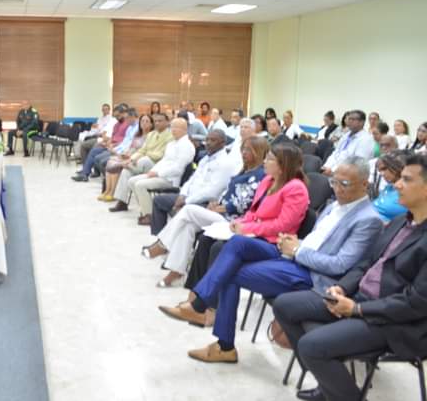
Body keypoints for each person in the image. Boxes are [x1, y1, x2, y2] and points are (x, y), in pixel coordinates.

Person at [173, 157, 383, 364]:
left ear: (365, 184)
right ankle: (202, 308)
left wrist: (297, 250)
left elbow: (339, 265)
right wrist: (295, 243)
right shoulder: (333, 206)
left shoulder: (368, 219)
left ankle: (220, 339)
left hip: (315, 276)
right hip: (296, 258)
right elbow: (318, 241)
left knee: (230, 272)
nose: (337, 188)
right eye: (334, 182)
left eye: (344, 183)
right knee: (237, 243)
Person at [273, 153, 427, 401]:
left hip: (395, 322)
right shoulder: (401, 221)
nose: (397, 184)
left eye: (407, 180)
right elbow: (366, 263)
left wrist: (357, 310)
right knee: (284, 305)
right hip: (359, 298)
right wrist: (342, 288)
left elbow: (415, 303)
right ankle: (329, 385)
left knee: (311, 345)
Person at [158, 144, 310, 328]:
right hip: (254, 235)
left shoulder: (296, 188)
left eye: (270, 159)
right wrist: (240, 222)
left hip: (274, 243)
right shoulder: (268, 181)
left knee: (219, 248)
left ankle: (207, 309)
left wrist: (247, 228)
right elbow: (254, 211)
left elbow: (283, 225)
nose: (264, 161)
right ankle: (193, 299)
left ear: (283, 165)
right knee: (206, 239)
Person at [143, 131, 251, 287]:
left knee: (188, 210)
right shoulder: (206, 159)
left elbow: (216, 192)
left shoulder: (226, 164)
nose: (208, 143)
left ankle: (163, 245)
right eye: (207, 139)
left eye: (213, 140)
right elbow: (192, 180)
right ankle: (176, 271)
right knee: (187, 227)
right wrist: (183, 194)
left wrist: (193, 201)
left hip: (229, 218)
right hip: (212, 206)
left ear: (222, 143)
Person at [110, 118, 195, 226]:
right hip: (161, 174)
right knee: (132, 181)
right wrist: (152, 171)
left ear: (184, 129)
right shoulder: (172, 144)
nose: (173, 130)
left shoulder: (186, 146)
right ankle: (146, 210)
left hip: (171, 179)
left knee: (140, 185)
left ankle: (150, 216)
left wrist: (158, 174)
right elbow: (164, 161)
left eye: (176, 128)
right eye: (172, 127)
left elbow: (178, 168)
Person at [100, 114, 152, 202]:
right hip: (130, 155)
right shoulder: (137, 134)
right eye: (142, 121)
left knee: (116, 165)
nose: (144, 123)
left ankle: (112, 192)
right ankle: (107, 190)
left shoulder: (150, 135)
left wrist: (130, 157)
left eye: (147, 121)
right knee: (111, 161)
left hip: (138, 158)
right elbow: (131, 147)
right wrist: (126, 154)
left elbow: (144, 151)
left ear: (151, 124)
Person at [73, 106, 129, 181]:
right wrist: (107, 143)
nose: (117, 118)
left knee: (97, 153)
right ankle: (85, 174)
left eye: (118, 116)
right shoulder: (116, 124)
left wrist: (112, 145)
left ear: (123, 113)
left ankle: (104, 178)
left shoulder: (127, 125)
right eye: (115, 116)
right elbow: (112, 137)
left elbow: (125, 141)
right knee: (94, 150)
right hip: (109, 144)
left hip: (117, 148)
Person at [322, 110, 374, 176]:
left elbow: (358, 165)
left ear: (362, 122)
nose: (349, 121)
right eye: (349, 119)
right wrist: (326, 166)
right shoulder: (346, 135)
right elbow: (336, 153)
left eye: (352, 119)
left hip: (347, 176)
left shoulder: (366, 140)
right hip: (331, 172)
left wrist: (333, 171)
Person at [372, 151, 409, 222]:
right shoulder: (388, 187)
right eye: (380, 171)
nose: (382, 174)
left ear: (398, 165)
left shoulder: (410, 190)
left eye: (384, 169)